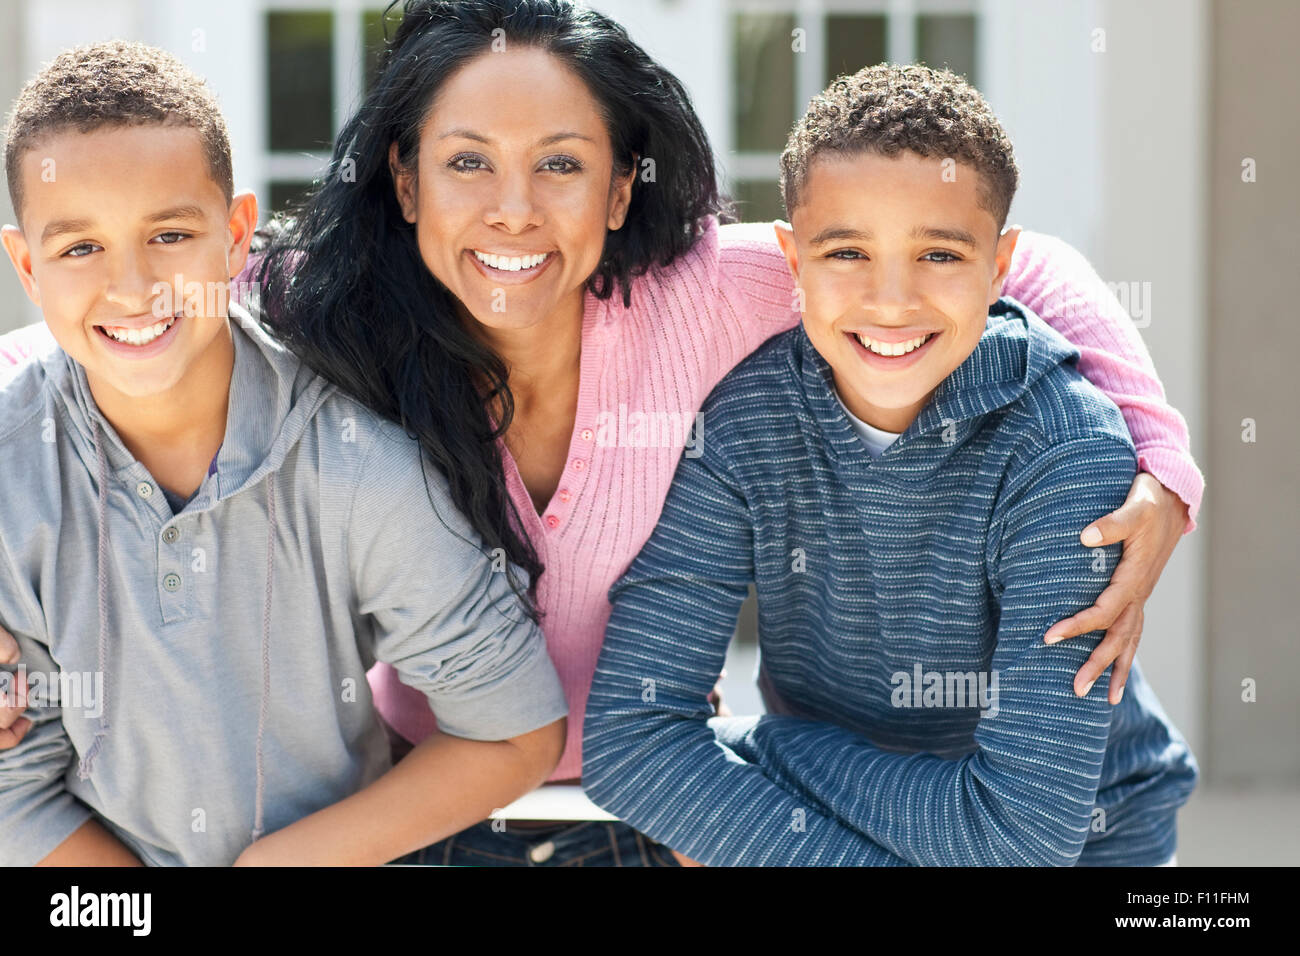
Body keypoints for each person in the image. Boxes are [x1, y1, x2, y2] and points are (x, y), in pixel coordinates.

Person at [0, 0, 1202, 867]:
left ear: (620, 188)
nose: (513, 208)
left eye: (561, 165)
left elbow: (1013, 262)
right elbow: (100, 322)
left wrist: (1163, 470)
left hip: (667, 807)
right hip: (436, 807)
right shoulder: (327, 304)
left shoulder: (713, 291)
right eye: (466, 162)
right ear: (407, 181)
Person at [581, 63, 1198, 866]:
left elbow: (1020, 838)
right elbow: (629, 743)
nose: (892, 301)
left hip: (1088, 840)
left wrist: (763, 748)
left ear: (1001, 266)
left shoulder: (1069, 454)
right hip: (826, 833)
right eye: (846, 253)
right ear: (793, 261)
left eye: (940, 255)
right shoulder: (739, 426)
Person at [0, 40, 566, 866]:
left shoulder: (355, 464)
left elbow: (515, 731)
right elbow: (17, 790)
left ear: (235, 238)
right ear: (26, 266)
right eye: (79, 248)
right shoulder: (16, 478)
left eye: (169, 234)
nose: (130, 285)